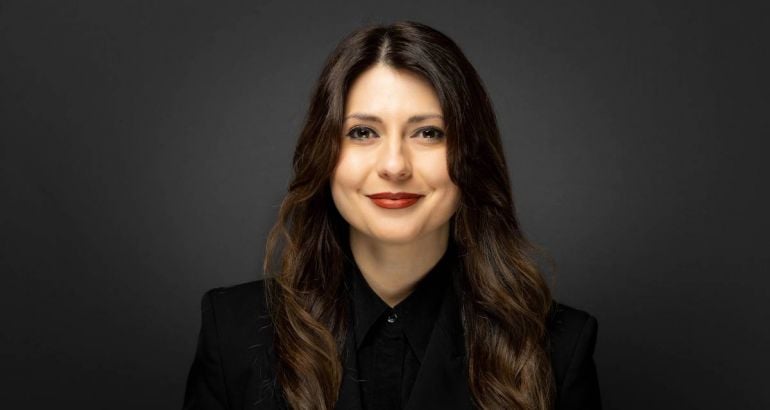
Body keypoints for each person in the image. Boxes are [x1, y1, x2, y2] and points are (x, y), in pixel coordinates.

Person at [183, 21, 601, 410]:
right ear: (324, 155)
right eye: (363, 132)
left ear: (471, 157)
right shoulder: (233, 331)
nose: (395, 165)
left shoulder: (558, 347)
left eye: (429, 133)